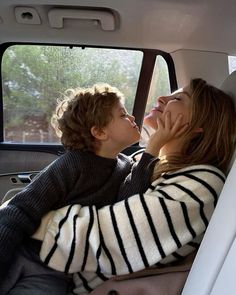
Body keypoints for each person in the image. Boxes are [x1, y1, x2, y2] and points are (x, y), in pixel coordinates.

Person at [33, 78, 235, 294]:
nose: (161, 98)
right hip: (57, 267)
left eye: (177, 98)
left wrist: (29, 216)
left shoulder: (200, 184)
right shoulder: (145, 160)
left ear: (199, 124)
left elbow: (102, 239)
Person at [0, 83, 171, 294]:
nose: (133, 118)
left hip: (53, 272)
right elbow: (20, 210)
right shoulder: (72, 164)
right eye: (123, 114)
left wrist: (152, 149)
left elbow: (127, 204)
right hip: (20, 251)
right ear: (99, 132)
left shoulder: (127, 165)